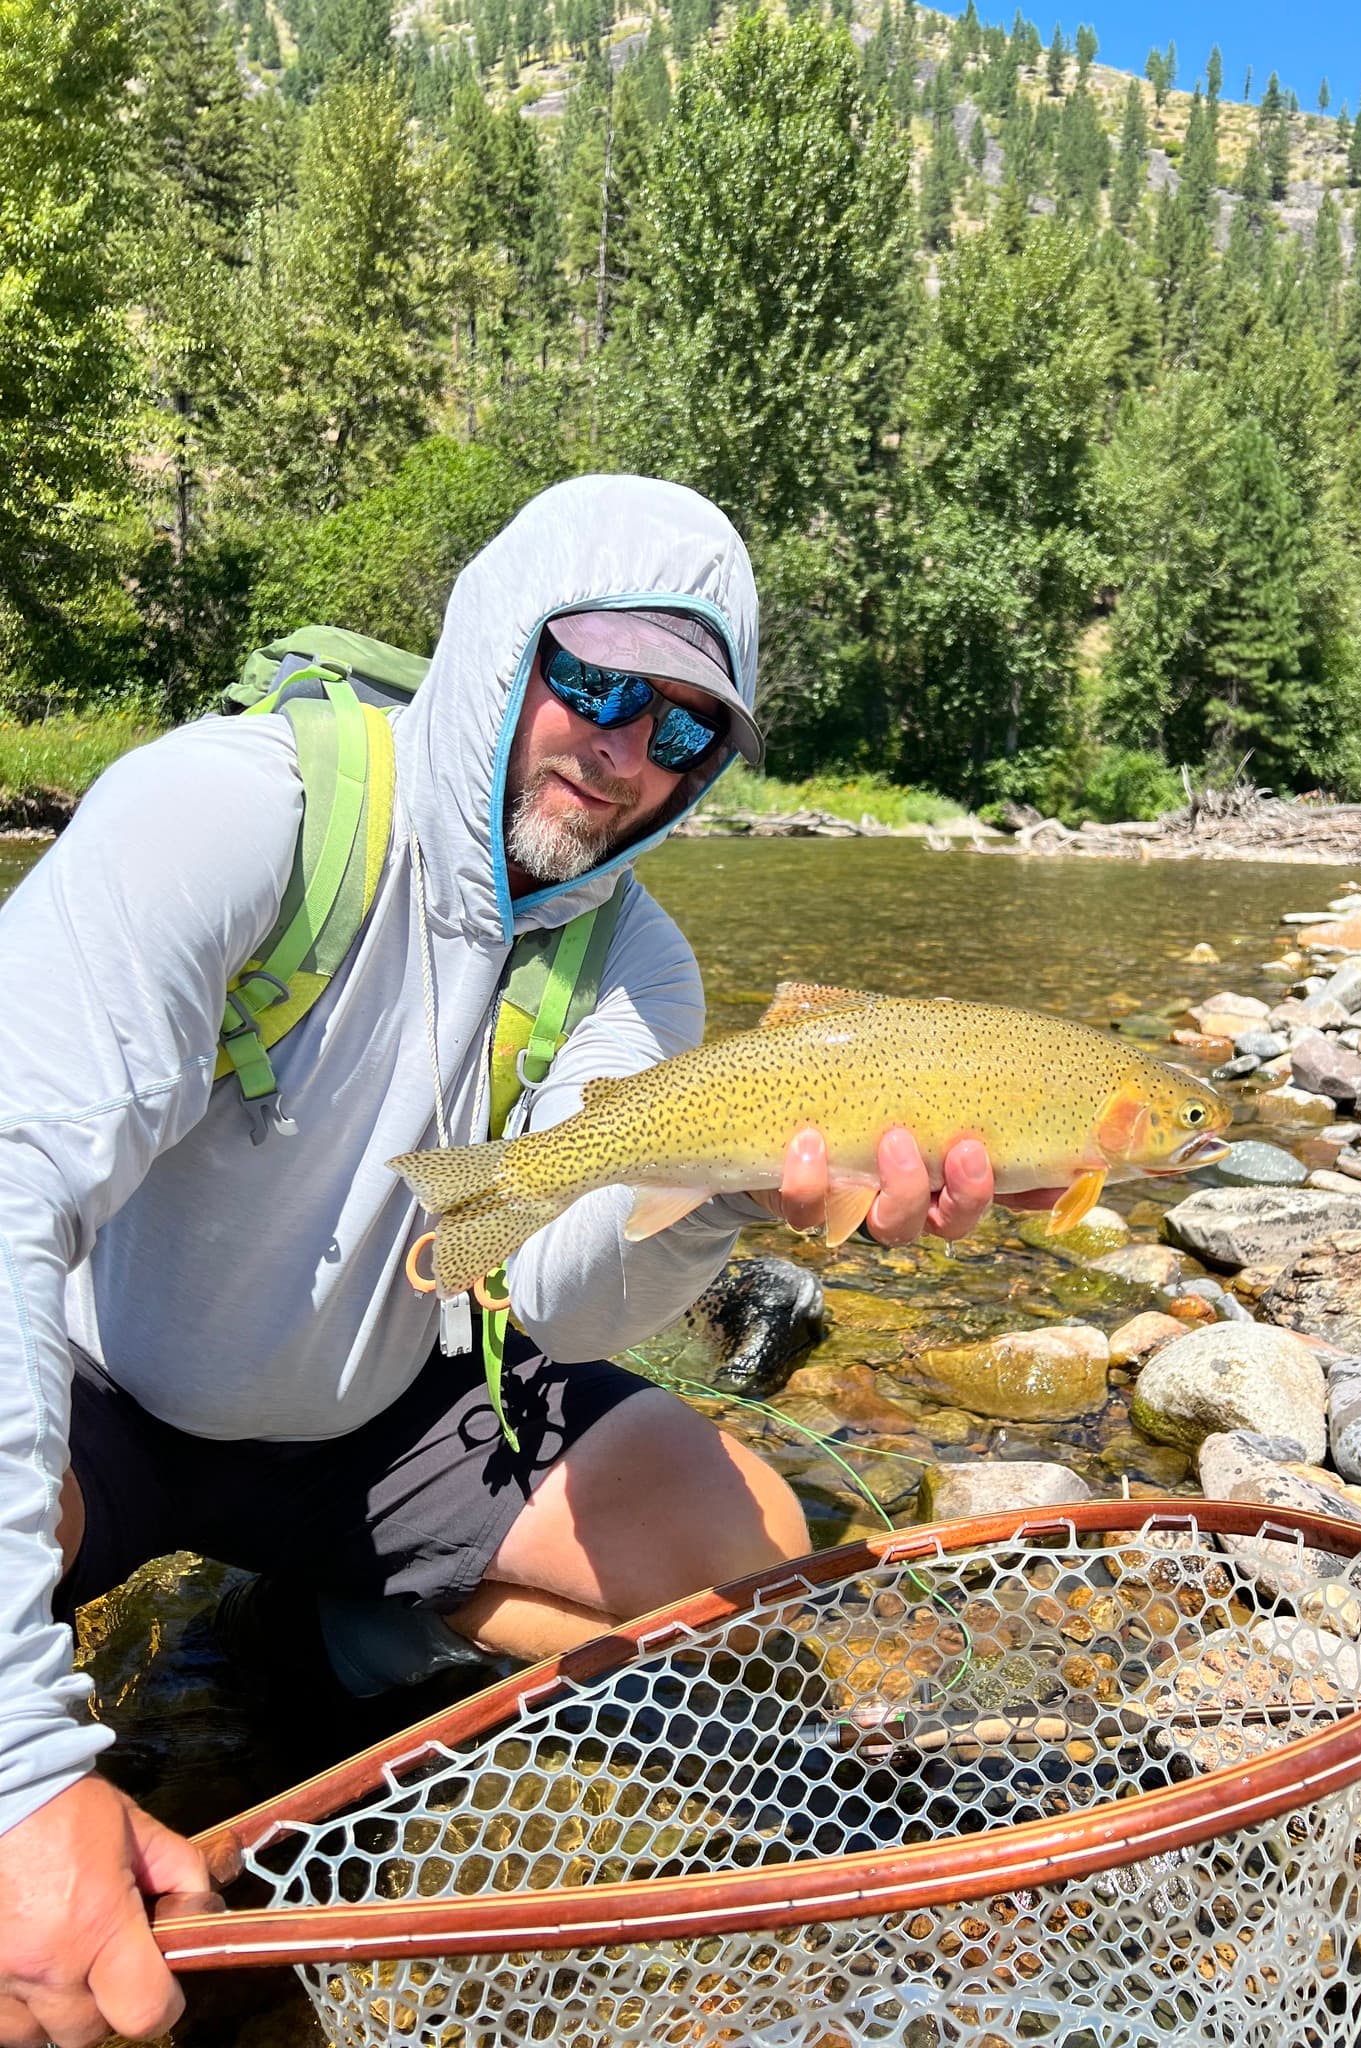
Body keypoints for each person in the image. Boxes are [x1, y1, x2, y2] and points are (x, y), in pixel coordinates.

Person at [0, 475, 1027, 2048]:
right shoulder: (234, 814)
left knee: (744, 1562)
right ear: (499, 645)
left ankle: (345, 1618)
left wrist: (737, 1190)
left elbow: (550, 1297)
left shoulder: (640, 958)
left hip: (379, 1414)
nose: (624, 752)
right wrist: (24, 1768)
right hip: (106, 1392)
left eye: (682, 729)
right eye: (599, 683)